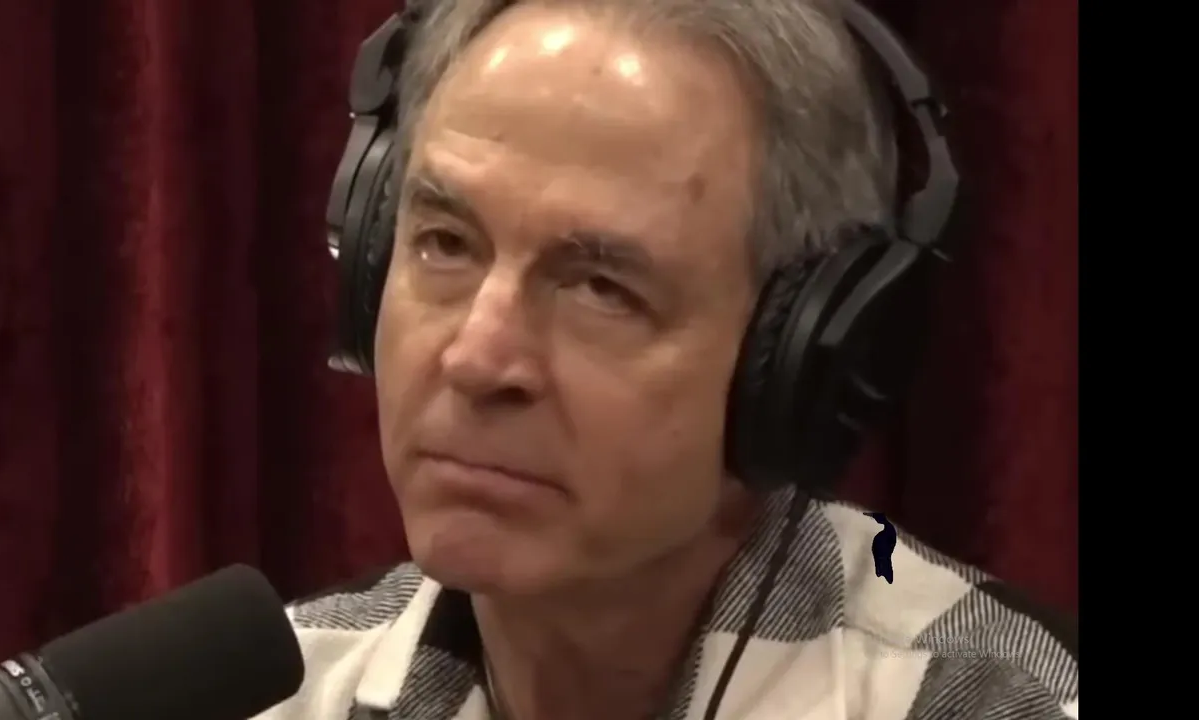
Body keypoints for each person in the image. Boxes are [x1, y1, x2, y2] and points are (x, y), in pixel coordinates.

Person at [258, 0, 1079, 718]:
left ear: (796, 365)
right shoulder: (270, 698)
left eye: (602, 288)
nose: (476, 359)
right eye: (445, 243)